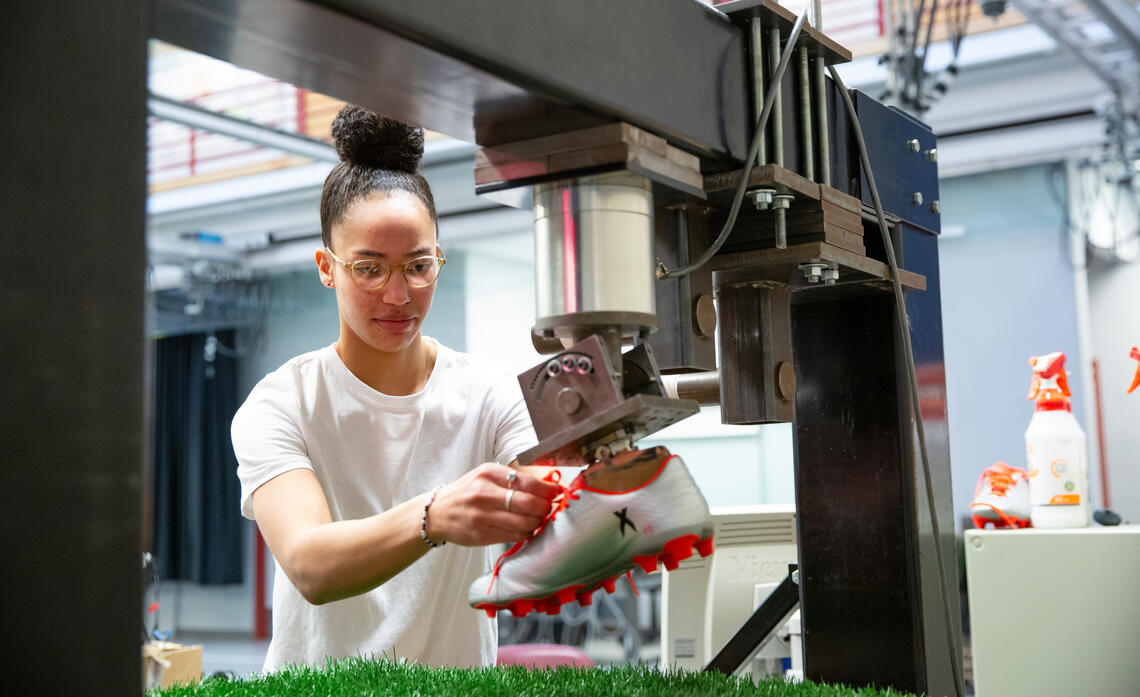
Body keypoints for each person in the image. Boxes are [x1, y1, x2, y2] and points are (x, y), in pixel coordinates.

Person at [231, 105, 560, 671]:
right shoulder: (281, 403)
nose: (398, 294)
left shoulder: (490, 394)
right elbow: (309, 564)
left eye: (417, 265)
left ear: (439, 261)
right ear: (326, 267)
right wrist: (433, 517)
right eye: (369, 268)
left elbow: (552, 502)